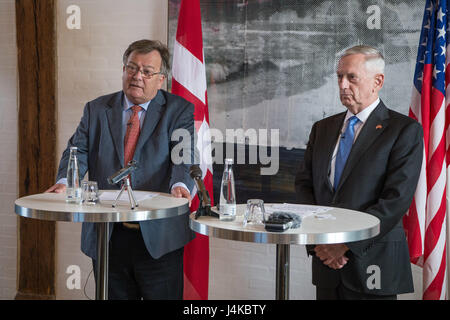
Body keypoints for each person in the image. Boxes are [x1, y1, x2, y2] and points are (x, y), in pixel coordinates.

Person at [46, 39, 195, 299]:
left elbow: (183, 157)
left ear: (161, 80)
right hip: (108, 235)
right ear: (123, 70)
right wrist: (65, 181)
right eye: (131, 68)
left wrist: (180, 186)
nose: (137, 76)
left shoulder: (178, 110)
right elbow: (77, 151)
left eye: (147, 71)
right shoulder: (96, 109)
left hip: (157, 239)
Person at [295, 45, 423, 300]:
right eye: (339, 76)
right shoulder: (322, 128)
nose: (342, 84)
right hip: (326, 266)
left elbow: (396, 200)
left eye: (351, 77)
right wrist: (320, 243)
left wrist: (344, 245)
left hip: (373, 264)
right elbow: (305, 186)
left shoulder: (403, 130)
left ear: (378, 81)